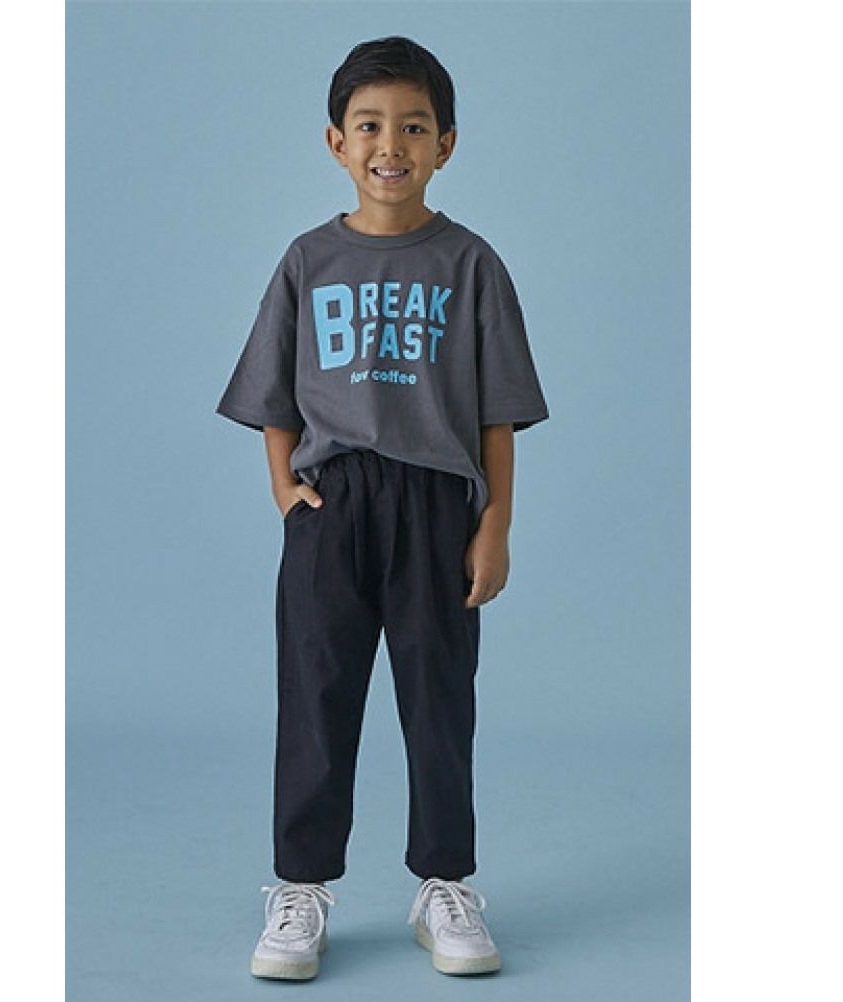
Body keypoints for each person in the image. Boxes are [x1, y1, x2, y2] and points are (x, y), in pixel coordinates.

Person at [215, 35, 550, 980]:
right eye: (369, 126)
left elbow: (496, 413)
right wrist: (285, 489)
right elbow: (274, 394)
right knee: (316, 694)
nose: (389, 145)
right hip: (335, 503)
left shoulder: (470, 263)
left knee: (439, 699)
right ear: (337, 142)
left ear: (446, 144)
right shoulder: (308, 259)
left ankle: (445, 883)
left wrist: (495, 523)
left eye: (413, 127)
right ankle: (300, 887)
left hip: (438, 504)